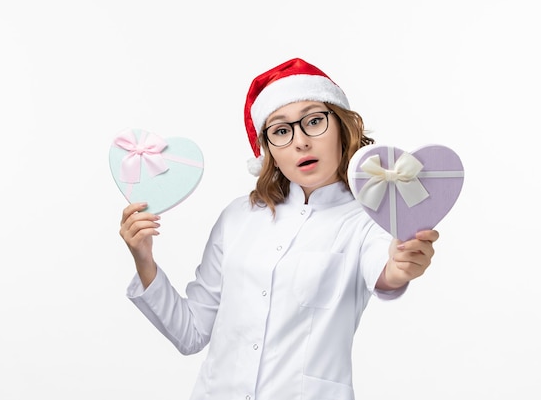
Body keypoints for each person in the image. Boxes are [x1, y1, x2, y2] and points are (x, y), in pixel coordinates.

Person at [119, 57, 439, 400]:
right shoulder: (237, 217)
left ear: (342, 128)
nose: (300, 142)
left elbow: (386, 268)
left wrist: (401, 264)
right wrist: (144, 260)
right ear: (267, 148)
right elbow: (191, 333)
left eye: (314, 121)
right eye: (281, 131)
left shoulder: (367, 219)